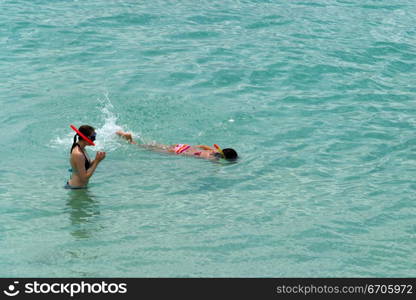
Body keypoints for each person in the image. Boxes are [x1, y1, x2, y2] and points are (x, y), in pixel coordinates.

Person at [116, 130, 238, 161]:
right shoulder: (213, 158)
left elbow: (202, 146)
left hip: (183, 146)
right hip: (179, 152)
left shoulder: (213, 150)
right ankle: (130, 140)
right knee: (147, 149)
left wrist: (193, 147)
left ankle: (126, 135)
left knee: (155, 145)